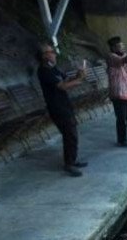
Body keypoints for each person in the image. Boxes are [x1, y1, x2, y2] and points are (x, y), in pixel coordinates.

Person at [36, 43, 88, 177]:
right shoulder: (43, 71)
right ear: (44, 56)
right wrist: (80, 80)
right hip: (57, 108)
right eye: (50, 52)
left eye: (53, 51)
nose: (54, 54)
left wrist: (78, 74)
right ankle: (69, 164)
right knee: (70, 134)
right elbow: (62, 86)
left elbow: (67, 79)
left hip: (65, 105)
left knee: (72, 134)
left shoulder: (53, 69)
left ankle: (72, 160)